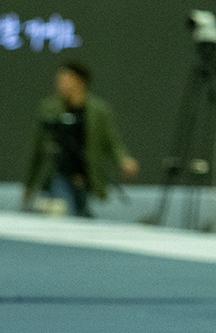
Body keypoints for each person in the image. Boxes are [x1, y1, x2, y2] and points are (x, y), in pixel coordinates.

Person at [23, 61, 136, 218]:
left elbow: (111, 140)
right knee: (65, 213)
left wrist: (123, 159)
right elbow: (38, 149)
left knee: (80, 215)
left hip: (86, 176)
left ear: (79, 81)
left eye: (65, 79)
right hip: (59, 175)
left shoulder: (98, 110)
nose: (60, 83)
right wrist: (29, 184)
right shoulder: (50, 108)